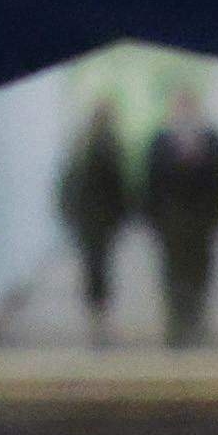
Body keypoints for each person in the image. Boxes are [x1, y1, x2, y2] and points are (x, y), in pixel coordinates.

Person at [138, 70, 218, 349]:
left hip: (203, 222)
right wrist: (151, 220)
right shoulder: (160, 142)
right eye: (181, 105)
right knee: (172, 274)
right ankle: (176, 326)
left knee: (201, 273)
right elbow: (150, 184)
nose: (185, 110)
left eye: (189, 104)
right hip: (170, 222)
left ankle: (195, 321)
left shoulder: (214, 141)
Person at [52, 100, 136, 334]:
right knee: (99, 264)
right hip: (99, 218)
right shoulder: (106, 146)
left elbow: (68, 184)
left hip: (90, 218)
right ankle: (99, 310)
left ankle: (96, 310)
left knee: (93, 263)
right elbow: (120, 186)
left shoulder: (83, 147)